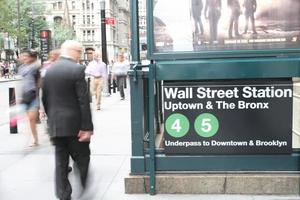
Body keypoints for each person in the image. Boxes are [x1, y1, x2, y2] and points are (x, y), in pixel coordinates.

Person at [42, 40, 93, 200]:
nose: (80, 56)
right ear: (74, 51)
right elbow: (83, 101)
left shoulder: (50, 70)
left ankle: (64, 195)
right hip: (75, 126)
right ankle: (83, 186)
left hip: (56, 125)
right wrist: (87, 127)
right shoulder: (77, 69)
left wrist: (52, 120)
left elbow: (45, 99)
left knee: (60, 162)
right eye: (80, 52)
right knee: (82, 158)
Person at [18, 49, 41, 147]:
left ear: (31, 57)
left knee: (32, 118)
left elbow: (40, 82)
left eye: (26, 56)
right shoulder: (22, 68)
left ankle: (35, 139)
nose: (24, 58)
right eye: (23, 56)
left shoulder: (36, 67)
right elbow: (21, 82)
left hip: (33, 96)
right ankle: (34, 138)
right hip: (25, 96)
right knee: (30, 120)